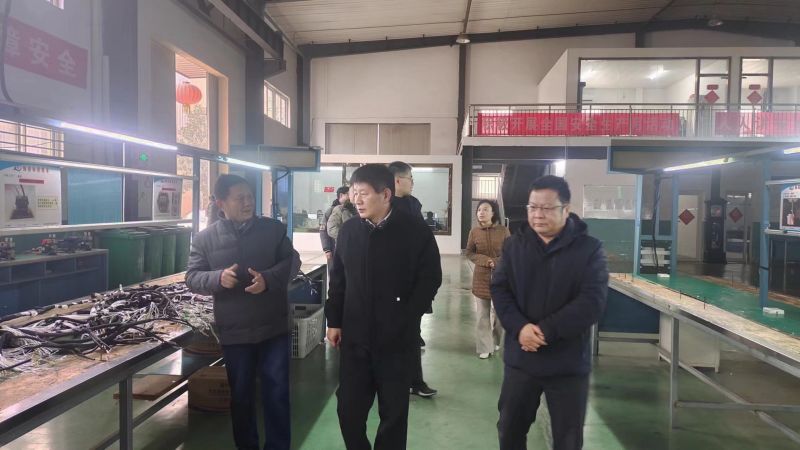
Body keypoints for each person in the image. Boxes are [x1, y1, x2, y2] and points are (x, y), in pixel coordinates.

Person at [325, 164, 442, 450]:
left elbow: (430, 278)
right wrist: (334, 320)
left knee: (393, 414)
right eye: (354, 193)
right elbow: (338, 280)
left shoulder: (414, 230)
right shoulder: (349, 231)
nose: (356, 200)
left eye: (363, 193)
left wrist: (407, 317)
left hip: (396, 341)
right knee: (348, 410)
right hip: (356, 339)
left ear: (386, 194)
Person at [491, 175, 608, 450]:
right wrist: (520, 328)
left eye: (546, 208)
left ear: (566, 209)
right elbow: (500, 289)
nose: (537, 215)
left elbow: (592, 301)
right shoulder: (514, 246)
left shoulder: (589, 250)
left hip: (567, 363)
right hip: (522, 359)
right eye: (532, 207)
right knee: (509, 430)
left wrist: (544, 331)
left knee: (568, 439)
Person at [186, 174, 300, 450]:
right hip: (235, 332)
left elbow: (292, 261)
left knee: (277, 393)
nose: (248, 203)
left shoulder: (272, 230)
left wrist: (268, 279)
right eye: (240, 198)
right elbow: (192, 277)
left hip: (273, 326)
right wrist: (217, 278)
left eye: (249, 197)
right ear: (221, 203)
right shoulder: (204, 239)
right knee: (241, 396)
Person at [387, 160, 437, 398]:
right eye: (410, 178)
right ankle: (398, 381)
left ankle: (414, 381)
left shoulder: (412, 206)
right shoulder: (387, 209)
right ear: (398, 180)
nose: (412, 183)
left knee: (411, 335)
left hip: (413, 285)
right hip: (392, 286)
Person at [465, 200, 509, 359]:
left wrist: (496, 262)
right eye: (479, 210)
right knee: (482, 315)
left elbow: (510, 252)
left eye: (485, 209)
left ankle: (495, 340)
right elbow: (469, 253)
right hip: (481, 278)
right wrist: (485, 260)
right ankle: (484, 346)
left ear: (493, 213)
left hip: (501, 278)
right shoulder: (474, 232)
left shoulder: (503, 231)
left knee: (500, 314)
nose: (481, 213)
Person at [321, 186, 350, 262]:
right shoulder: (330, 211)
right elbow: (323, 231)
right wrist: (327, 249)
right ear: (341, 195)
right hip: (333, 248)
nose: (351, 196)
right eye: (348, 194)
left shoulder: (351, 209)